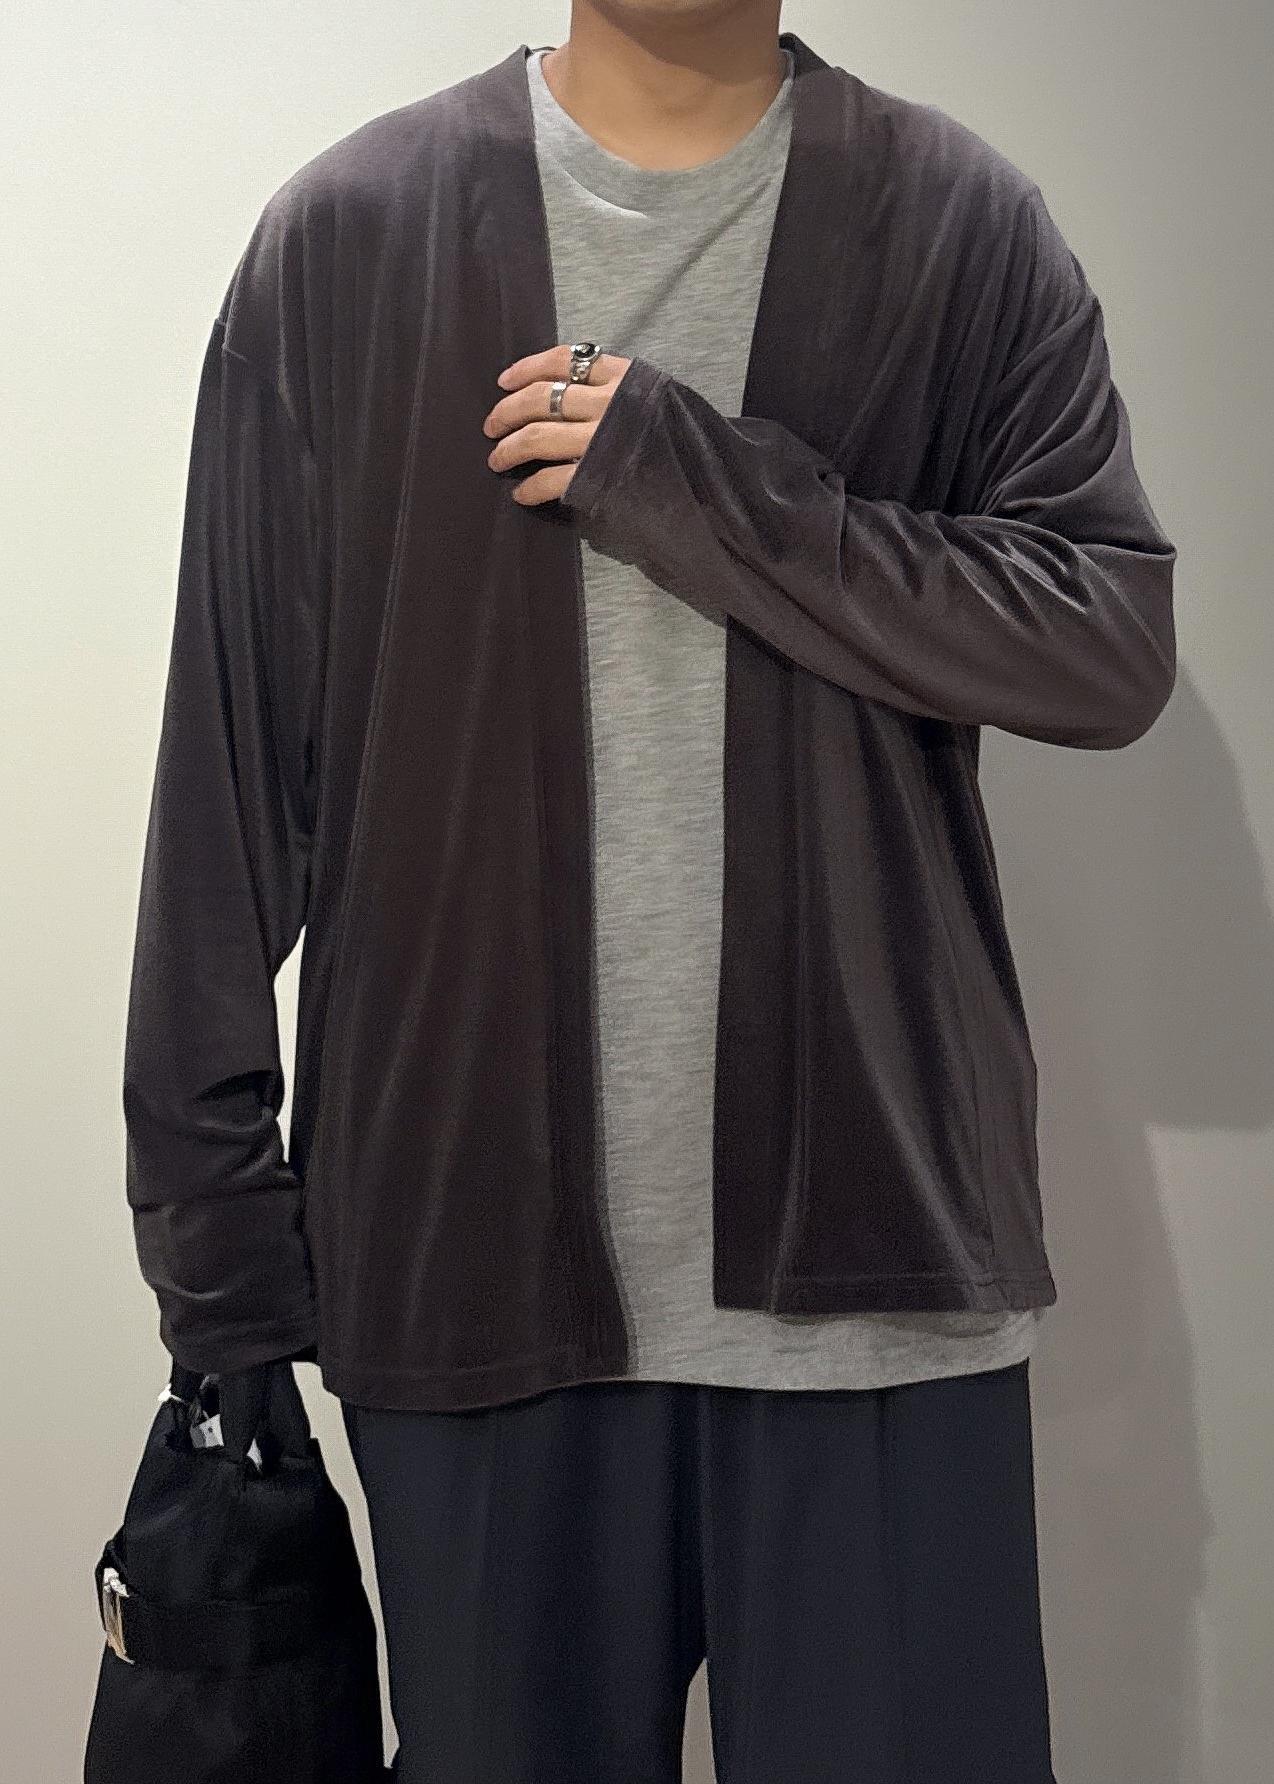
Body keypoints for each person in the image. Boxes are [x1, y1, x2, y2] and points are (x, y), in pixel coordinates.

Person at [122, 2, 1177, 1778]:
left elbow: (1103, 645)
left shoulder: (953, 218)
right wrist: (214, 1240)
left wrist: (700, 486)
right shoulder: (352, 234)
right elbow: (230, 772)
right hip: (466, 1276)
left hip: (875, 1284)